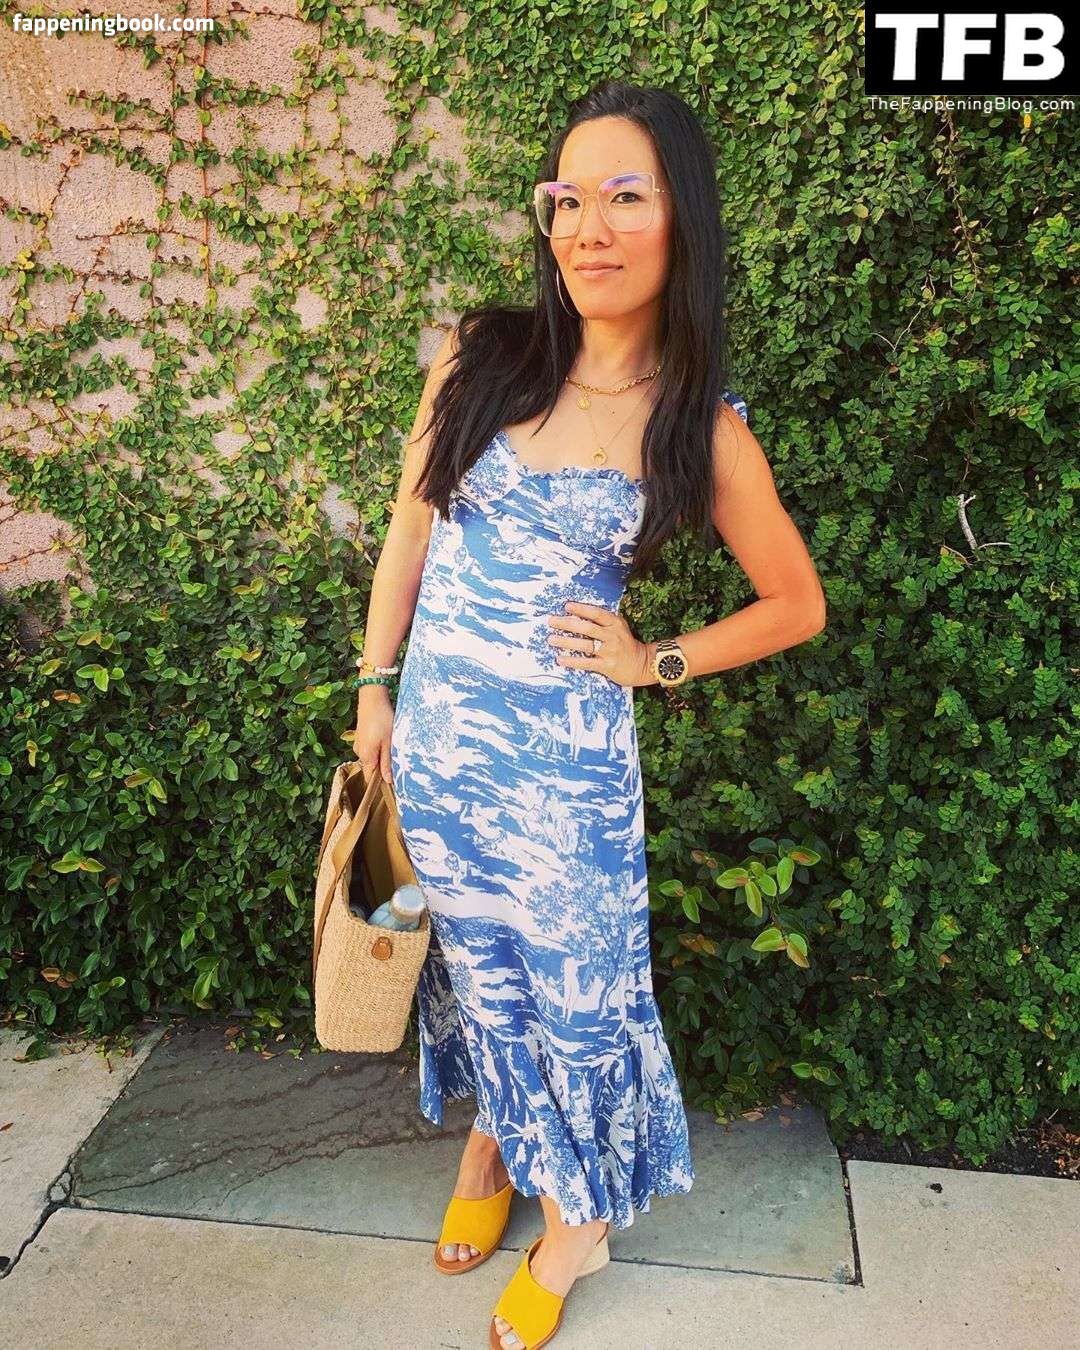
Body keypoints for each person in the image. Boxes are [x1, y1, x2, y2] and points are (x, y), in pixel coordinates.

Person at [353, 79, 826, 1350]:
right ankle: (494, 1145)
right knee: (479, 972)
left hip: (565, 786)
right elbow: (410, 536)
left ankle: (578, 1228)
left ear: (682, 221)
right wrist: (374, 690)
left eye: (626, 197)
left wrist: (653, 659)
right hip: (441, 754)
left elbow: (795, 603)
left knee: (575, 994)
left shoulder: (697, 424)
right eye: (569, 200)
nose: (589, 229)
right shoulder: (481, 357)